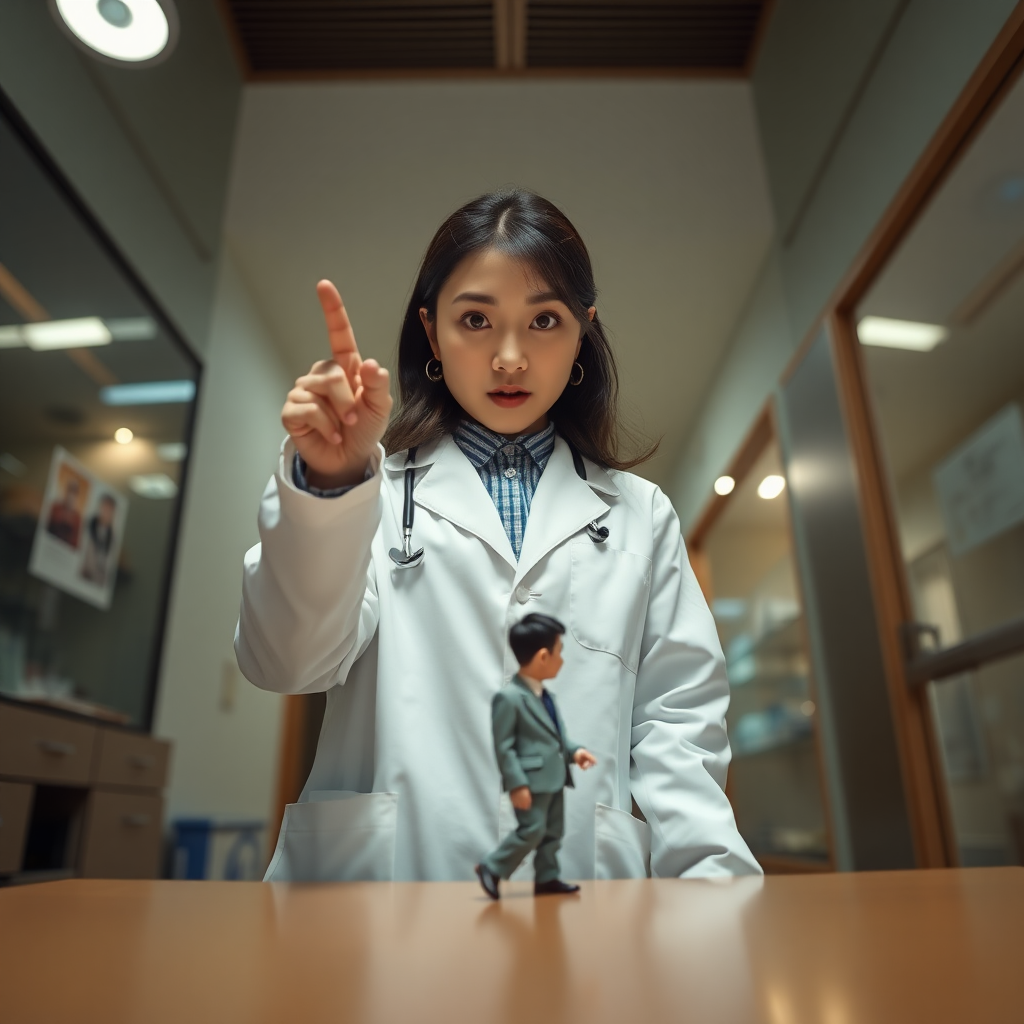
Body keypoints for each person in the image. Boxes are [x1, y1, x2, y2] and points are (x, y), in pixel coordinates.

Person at [237, 188, 761, 883]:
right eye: (476, 319)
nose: (510, 358)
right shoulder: (377, 493)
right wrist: (329, 486)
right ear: (432, 332)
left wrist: (716, 895)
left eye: (544, 320)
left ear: (584, 330)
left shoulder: (642, 515)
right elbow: (287, 662)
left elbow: (678, 729)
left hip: (583, 904)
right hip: (382, 909)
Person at [476, 613, 597, 900]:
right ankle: (492, 868)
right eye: (559, 653)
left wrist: (574, 752)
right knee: (532, 829)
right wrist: (516, 784)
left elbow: (556, 737)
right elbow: (503, 746)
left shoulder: (547, 697)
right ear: (543, 656)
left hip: (554, 777)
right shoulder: (509, 699)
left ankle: (547, 877)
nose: (562, 660)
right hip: (531, 781)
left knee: (552, 832)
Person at [80, 493, 117, 586]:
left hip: (98, 583)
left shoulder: (112, 537)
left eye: (109, 510)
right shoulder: (88, 526)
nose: (106, 512)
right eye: (105, 508)